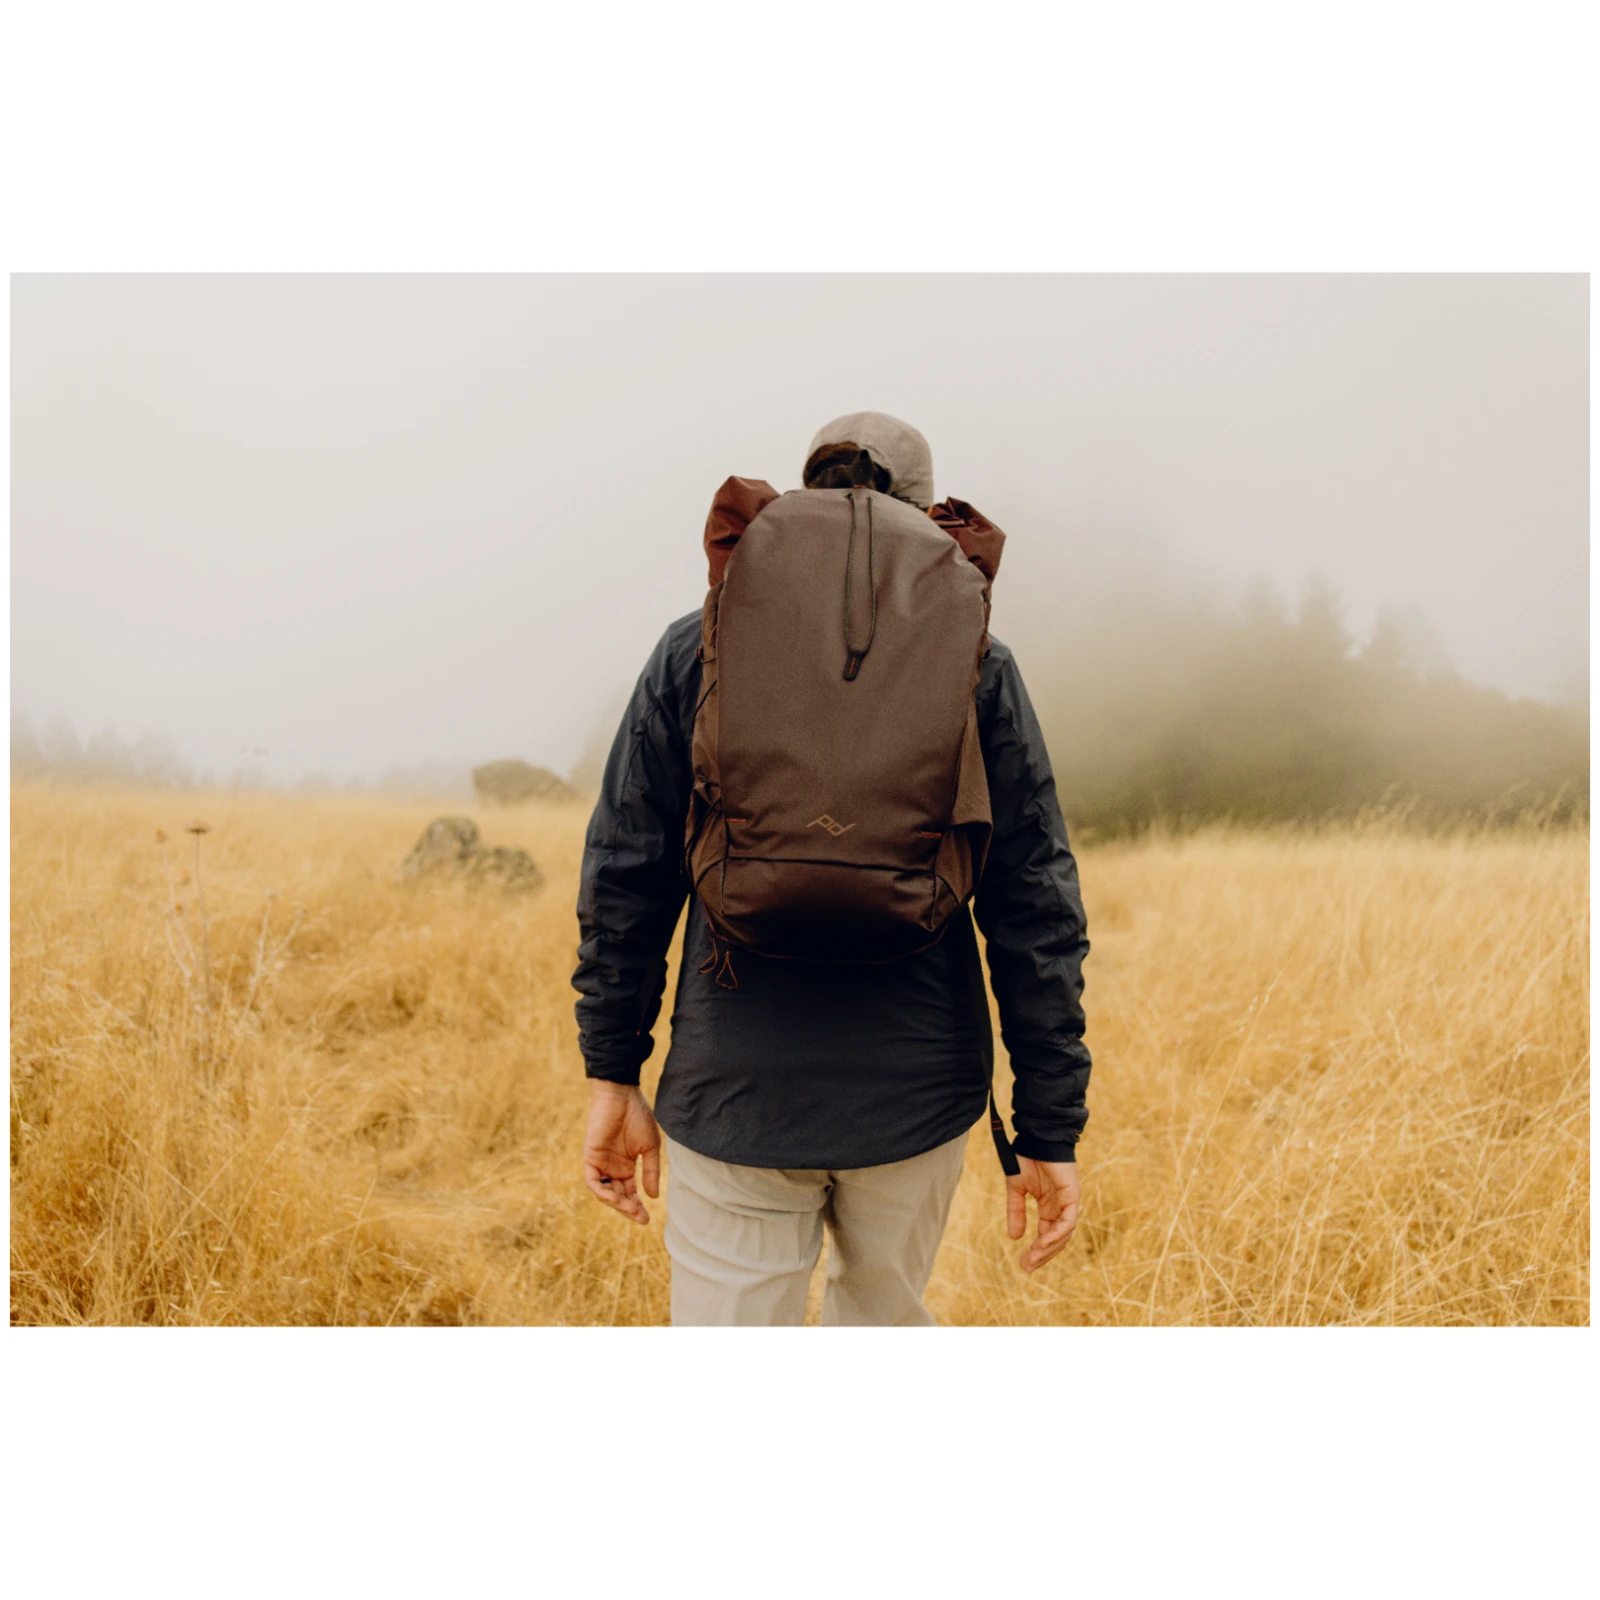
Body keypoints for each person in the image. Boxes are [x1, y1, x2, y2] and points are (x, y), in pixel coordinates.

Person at [572, 411, 1091, 1326]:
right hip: (916, 1093)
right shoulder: (978, 660)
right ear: (926, 517)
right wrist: (1047, 1124)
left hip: (732, 1090)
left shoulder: (699, 645)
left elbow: (627, 870)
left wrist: (614, 1070)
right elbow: (1033, 901)